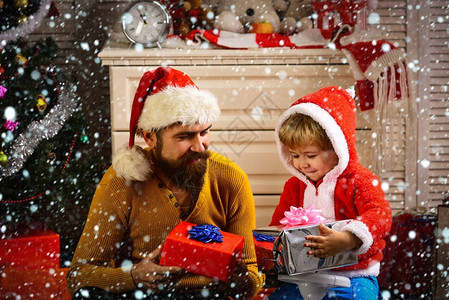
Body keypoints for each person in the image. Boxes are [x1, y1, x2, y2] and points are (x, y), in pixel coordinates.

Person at [66, 67, 264, 299]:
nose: (200, 147)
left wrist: (240, 277)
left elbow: (252, 277)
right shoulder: (122, 181)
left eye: (204, 133)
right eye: (184, 136)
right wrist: (133, 276)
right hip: (142, 293)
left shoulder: (230, 179)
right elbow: (78, 277)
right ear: (150, 137)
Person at [268, 86, 392, 300]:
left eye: (310, 155)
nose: (302, 163)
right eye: (295, 155)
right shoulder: (294, 186)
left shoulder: (360, 181)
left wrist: (347, 239)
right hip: (303, 275)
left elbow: (380, 216)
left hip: (354, 274)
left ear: (337, 148)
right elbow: (279, 224)